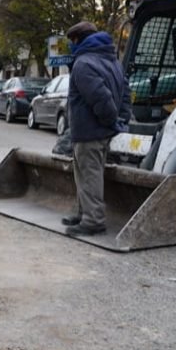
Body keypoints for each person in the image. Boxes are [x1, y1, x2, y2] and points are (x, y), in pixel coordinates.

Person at [62, 21, 132, 237]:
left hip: (89, 131)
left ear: (78, 40)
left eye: (72, 42)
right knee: (86, 173)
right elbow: (126, 94)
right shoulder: (112, 62)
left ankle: (93, 220)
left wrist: (111, 120)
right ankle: (84, 213)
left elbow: (101, 98)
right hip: (100, 131)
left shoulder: (83, 64)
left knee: (89, 175)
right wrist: (120, 120)